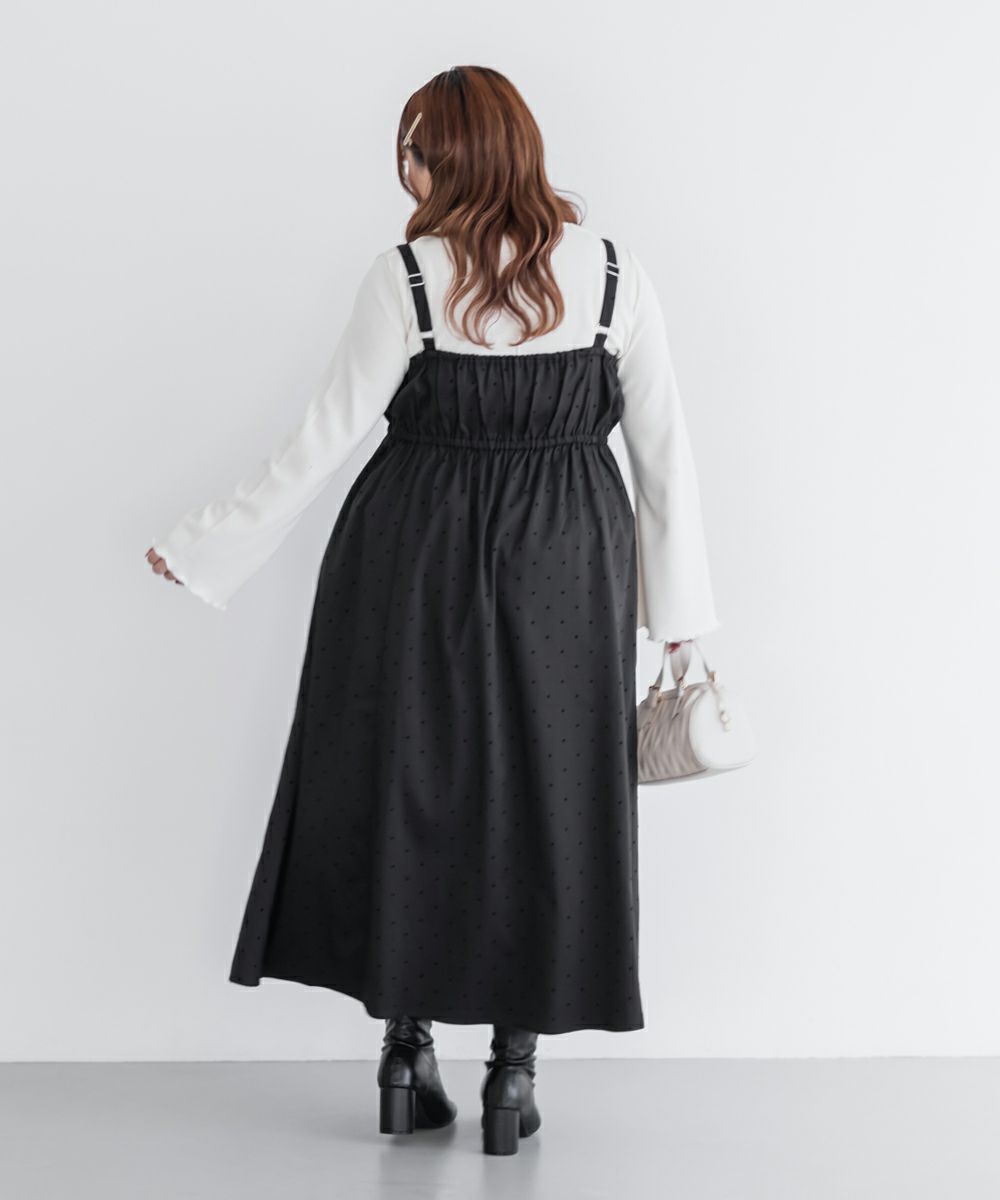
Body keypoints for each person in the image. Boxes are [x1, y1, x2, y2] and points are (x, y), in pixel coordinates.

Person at [145, 65, 720, 1156]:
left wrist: (205, 544)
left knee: (406, 784)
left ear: (453, 157)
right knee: (552, 799)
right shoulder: (612, 273)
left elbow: (321, 440)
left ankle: (405, 1054)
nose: (403, 170)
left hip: (411, 547)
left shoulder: (407, 276)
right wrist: (679, 610)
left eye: (414, 149)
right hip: (568, 559)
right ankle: (513, 1074)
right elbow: (664, 457)